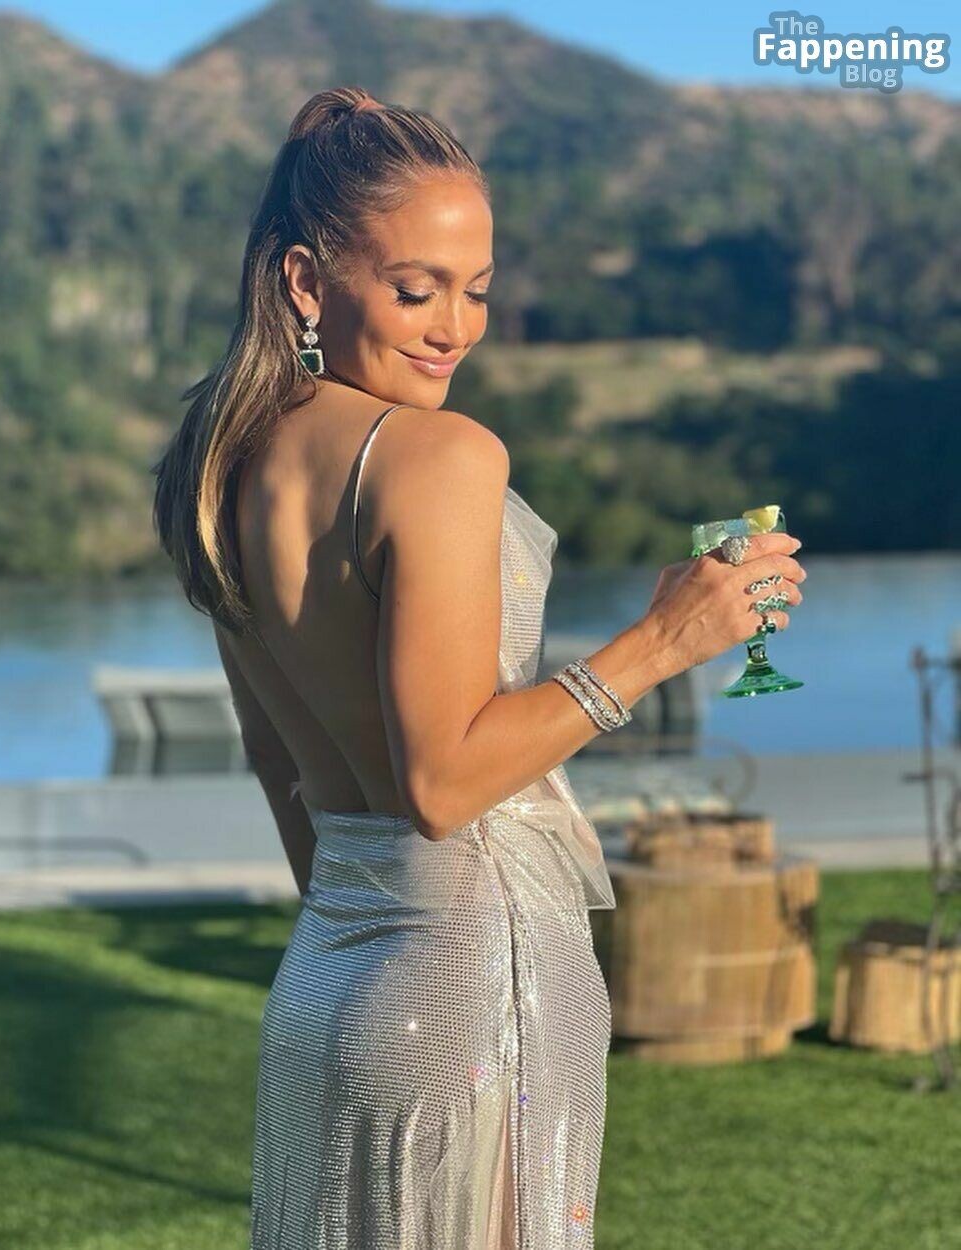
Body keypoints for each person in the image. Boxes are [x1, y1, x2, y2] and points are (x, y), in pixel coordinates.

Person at [152, 85, 806, 1250]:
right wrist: (664, 640)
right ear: (304, 280)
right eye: (416, 289)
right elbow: (444, 783)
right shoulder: (437, 455)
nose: (453, 326)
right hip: (472, 977)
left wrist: (367, 935)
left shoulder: (223, 462)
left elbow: (272, 754)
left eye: (477, 290)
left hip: (328, 975)